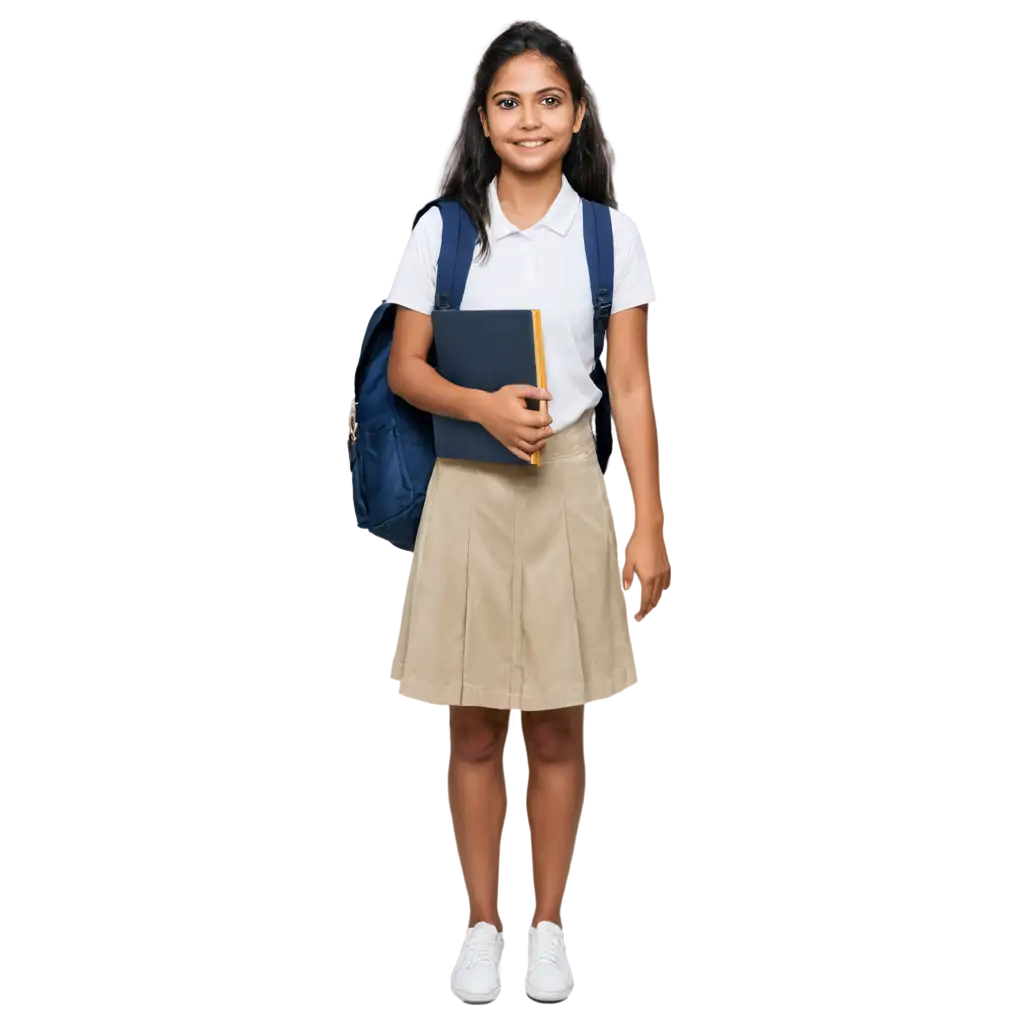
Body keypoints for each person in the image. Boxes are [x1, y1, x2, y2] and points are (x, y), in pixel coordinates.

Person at [383, 20, 669, 1005]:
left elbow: (627, 385)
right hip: (469, 490)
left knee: (552, 725)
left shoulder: (610, 235)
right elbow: (405, 367)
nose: (529, 119)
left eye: (548, 99)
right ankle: (476, 927)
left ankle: (545, 927)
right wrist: (481, 408)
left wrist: (652, 520)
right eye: (509, 101)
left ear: (576, 114)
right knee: (471, 727)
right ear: (484, 118)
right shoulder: (444, 231)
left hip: (568, 496)